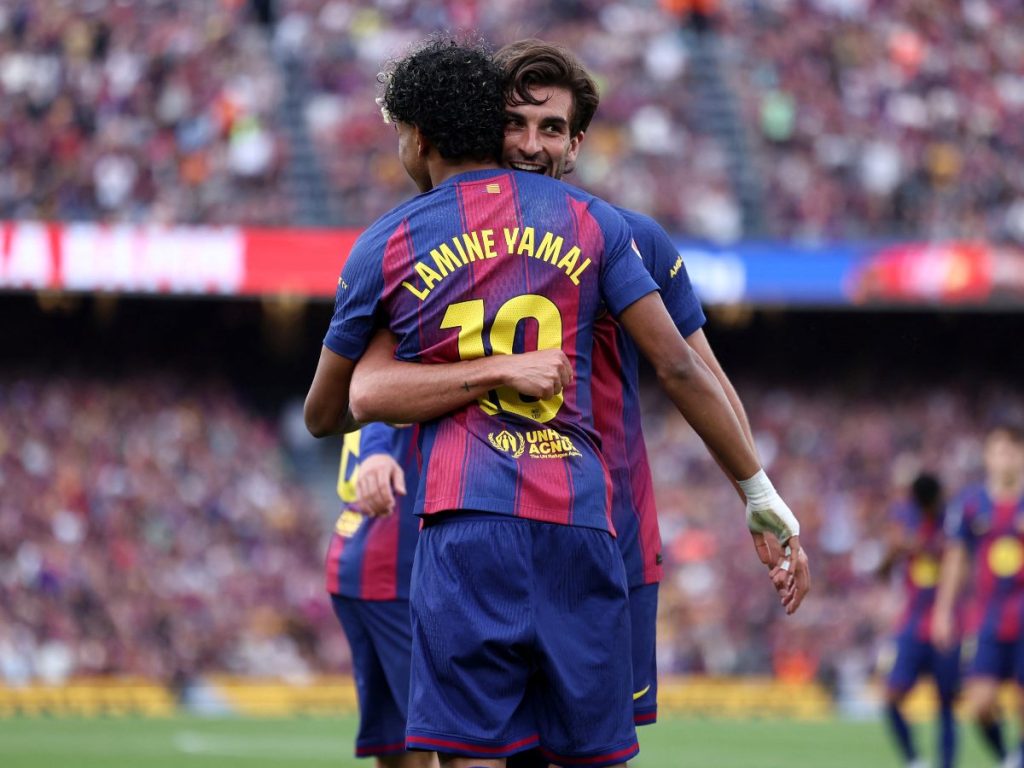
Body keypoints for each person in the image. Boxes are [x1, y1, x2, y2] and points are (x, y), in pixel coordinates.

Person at [304, 37, 806, 768]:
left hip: (537, 525)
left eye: (551, 128)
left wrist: (758, 489)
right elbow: (679, 370)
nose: (532, 144)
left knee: (476, 751)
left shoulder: (401, 242)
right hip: (564, 521)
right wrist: (755, 492)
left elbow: (696, 368)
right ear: (484, 125)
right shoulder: (591, 228)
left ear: (576, 142)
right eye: (517, 124)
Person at [325, 422, 434, 768]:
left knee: (394, 745)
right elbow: (379, 409)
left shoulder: (365, 374)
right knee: (439, 738)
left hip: (354, 556)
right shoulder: (399, 370)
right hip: (394, 566)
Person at [934, 424, 1024, 768]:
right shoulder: (970, 503)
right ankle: (1008, 756)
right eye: (1000, 450)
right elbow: (955, 559)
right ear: (987, 456)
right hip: (988, 614)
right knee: (980, 702)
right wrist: (943, 612)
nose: (1007, 458)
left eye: (1014, 450)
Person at [878, 473, 958, 768]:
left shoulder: (952, 520)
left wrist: (920, 546)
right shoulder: (908, 520)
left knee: (946, 702)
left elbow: (959, 561)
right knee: (891, 696)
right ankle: (914, 759)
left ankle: (945, 764)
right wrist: (898, 549)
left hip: (946, 622)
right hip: (911, 623)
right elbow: (884, 569)